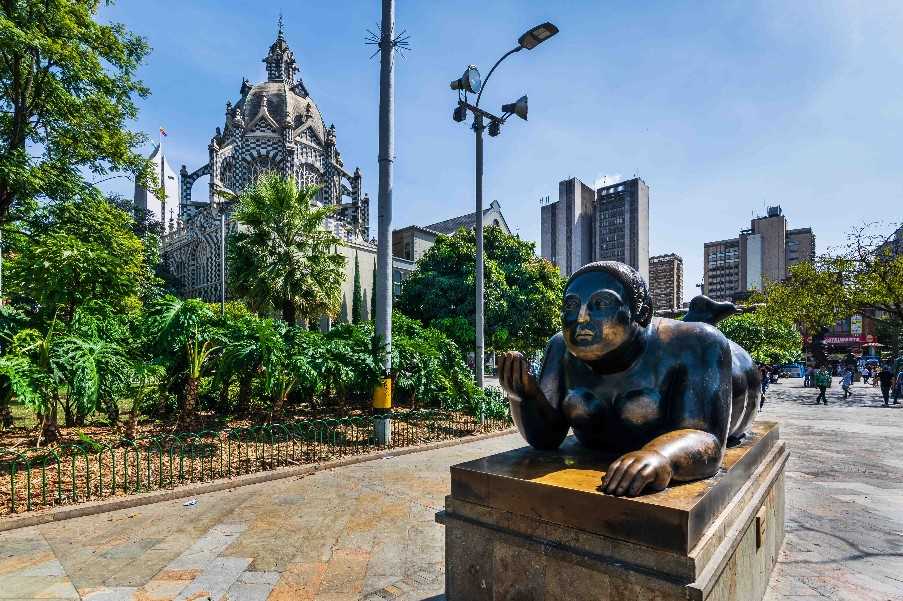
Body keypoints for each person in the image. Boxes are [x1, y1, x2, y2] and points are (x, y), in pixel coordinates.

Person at [496, 261, 760, 497]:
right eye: (571, 305)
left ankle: (702, 313)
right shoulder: (560, 348)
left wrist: (662, 456)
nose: (581, 317)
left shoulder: (698, 343)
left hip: (738, 375)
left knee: (702, 331)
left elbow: (708, 440)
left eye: (601, 304)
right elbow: (546, 440)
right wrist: (524, 397)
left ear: (642, 313)